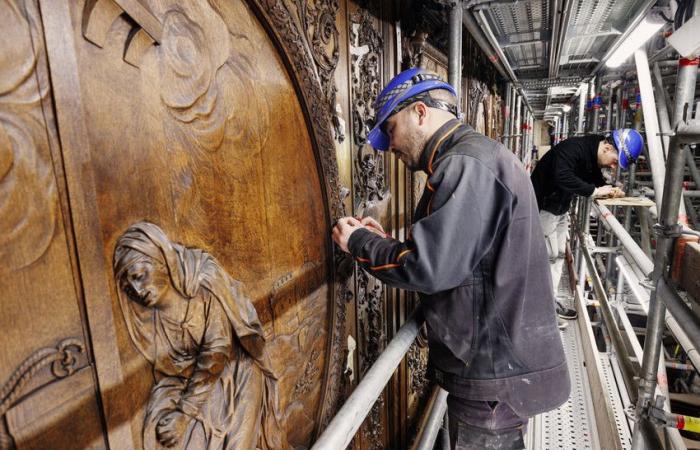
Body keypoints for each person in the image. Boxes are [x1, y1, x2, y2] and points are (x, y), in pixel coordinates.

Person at [332, 68, 570, 450]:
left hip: (492, 374)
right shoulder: (475, 157)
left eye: (390, 129)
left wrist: (359, 241)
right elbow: (462, 252)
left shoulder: (464, 165)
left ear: (420, 112)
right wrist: (389, 243)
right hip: (498, 367)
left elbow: (430, 267)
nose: (388, 145)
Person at [113, 222, 290, 450]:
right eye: (128, 287)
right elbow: (169, 370)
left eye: (139, 275)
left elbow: (217, 349)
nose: (137, 290)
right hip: (194, 384)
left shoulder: (203, 279)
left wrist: (185, 413)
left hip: (239, 373)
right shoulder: (151, 321)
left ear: (161, 258)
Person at [530, 129, 643, 325]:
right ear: (607, 147)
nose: (614, 167)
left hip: (559, 208)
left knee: (556, 256)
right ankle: (537, 311)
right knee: (543, 259)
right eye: (615, 161)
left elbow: (589, 176)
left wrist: (606, 189)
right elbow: (562, 177)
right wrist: (596, 190)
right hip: (544, 208)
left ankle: (548, 303)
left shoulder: (591, 152)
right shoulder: (574, 149)